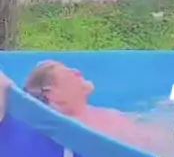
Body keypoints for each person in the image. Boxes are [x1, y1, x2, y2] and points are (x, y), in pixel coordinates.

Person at [0, 61, 161, 150]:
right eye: (67, 73)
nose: (76, 71)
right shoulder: (75, 129)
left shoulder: (98, 114)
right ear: (52, 93)